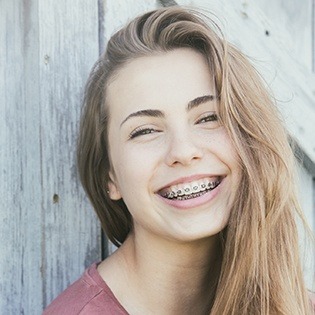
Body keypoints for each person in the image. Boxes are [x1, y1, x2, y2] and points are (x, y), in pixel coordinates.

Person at [43, 6, 315, 315]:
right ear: (110, 177)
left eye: (208, 117)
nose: (183, 152)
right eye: (145, 130)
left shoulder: (294, 305)